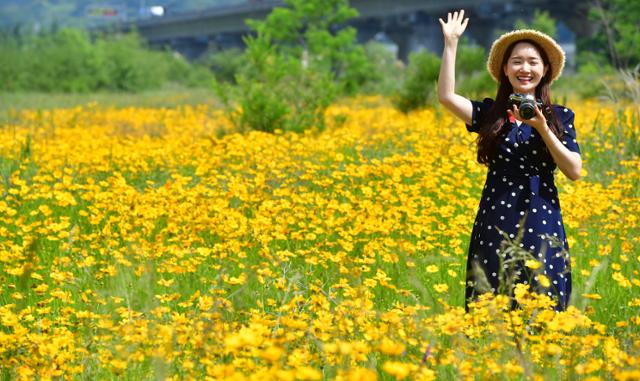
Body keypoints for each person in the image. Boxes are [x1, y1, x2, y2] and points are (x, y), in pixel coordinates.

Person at [437, 10, 582, 312]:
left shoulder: (560, 117)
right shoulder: (492, 114)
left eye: (532, 62)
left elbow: (574, 170)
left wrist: (542, 127)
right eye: (517, 61)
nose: (524, 68)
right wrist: (451, 44)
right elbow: (447, 97)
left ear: (545, 70)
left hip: (542, 218)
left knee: (544, 303)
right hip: (495, 218)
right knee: (490, 303)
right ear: (505, 69)